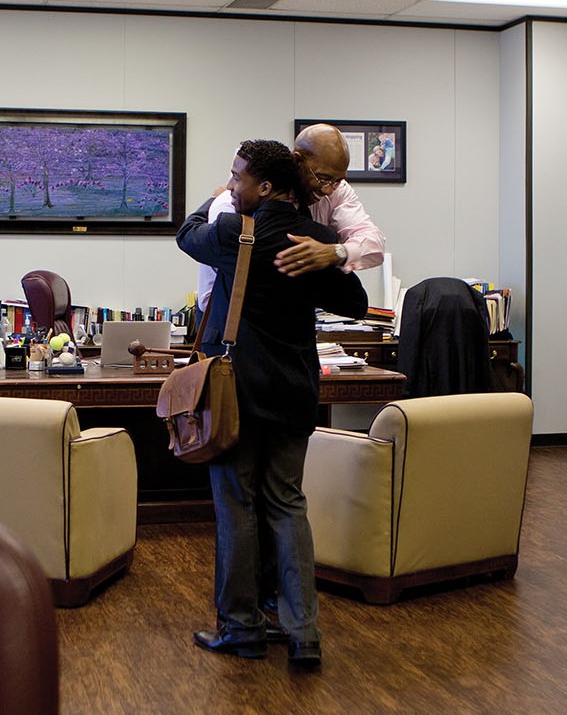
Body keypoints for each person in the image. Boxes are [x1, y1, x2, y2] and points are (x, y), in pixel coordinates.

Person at [176, 140, 368, 666]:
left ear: (264, 187)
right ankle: (302, 630)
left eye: (238, 177)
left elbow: (185, 234)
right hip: (294, 392)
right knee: (287, 504)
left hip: (235, 394)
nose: (232, 184)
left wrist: (210, 199)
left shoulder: (233, 233)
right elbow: (355, 302)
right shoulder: (316, 239)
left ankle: (241, 628)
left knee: (236, 504)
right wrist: (328, 258)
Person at [196, 123, 386, 311]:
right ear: (298, 160)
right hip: (230, 319)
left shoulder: (337, 192)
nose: (328, 189)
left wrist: (336, 253)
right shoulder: (237, 201)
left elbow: (374, 243)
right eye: (322, 178)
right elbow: (214, 284)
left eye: (337, 181)